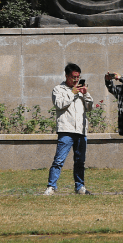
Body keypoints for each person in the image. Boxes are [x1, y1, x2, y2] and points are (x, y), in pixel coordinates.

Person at [44, 64, 98, 196]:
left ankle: (80, 187)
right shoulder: (58, 89)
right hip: (66, 130)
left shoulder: (80, 91)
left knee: (80, 161)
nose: (76, 80)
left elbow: (90, 108)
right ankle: (51, 186)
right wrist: (72, 93)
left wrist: (86, 95)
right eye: (73, 77)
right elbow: (59, 104)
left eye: (78, 77)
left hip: (81, 130)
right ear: (67, 76)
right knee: (59, 160)